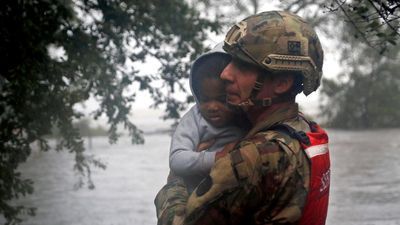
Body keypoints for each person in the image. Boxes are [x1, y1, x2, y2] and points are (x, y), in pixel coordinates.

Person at [183, 11, 331, 225]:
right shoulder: (305, 130)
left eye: (242, 66)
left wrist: (178, 179)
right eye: (230, 61)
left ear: (281, 83)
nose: (225, 74)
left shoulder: (254, 156)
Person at [155, 44, 249, 225]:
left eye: (222, 99)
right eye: (205, 99)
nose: (212, 106)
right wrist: (216, 158)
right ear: (197, 96)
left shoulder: (246, 118)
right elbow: (177, 159)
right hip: (196, 202)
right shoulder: (195, 119)